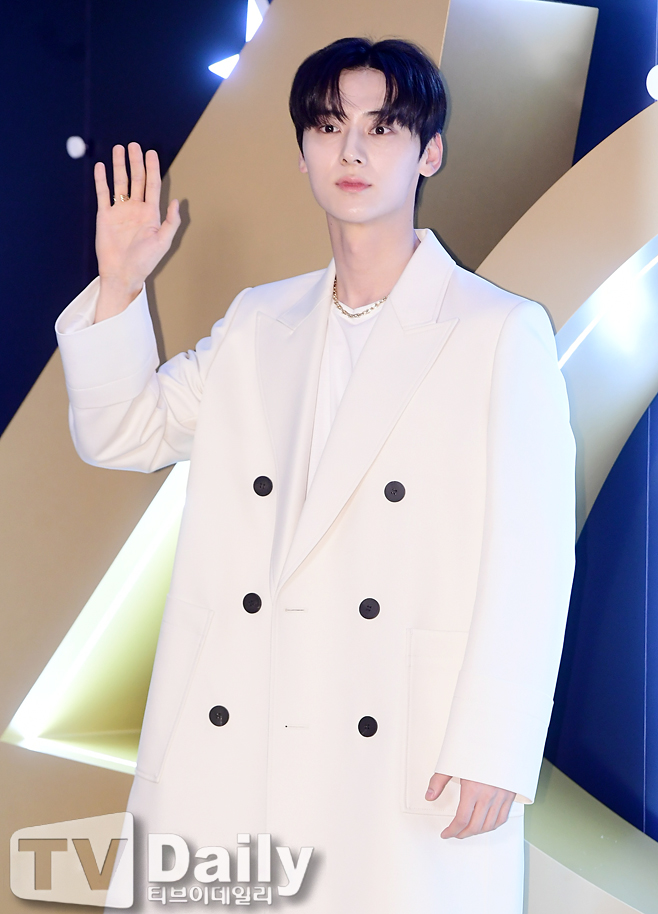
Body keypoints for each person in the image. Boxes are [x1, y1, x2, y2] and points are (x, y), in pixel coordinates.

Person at [55, 37, 575, 914]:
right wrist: (118, 285)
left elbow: (535, 556)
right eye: (330, 127)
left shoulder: (496, 331)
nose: (353, 151)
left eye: (383, 127)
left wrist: (496, 744)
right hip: (243, 713)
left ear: (430, 152)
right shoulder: (262, 322)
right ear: (303, 153)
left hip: (396, 731)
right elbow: (121, 432)